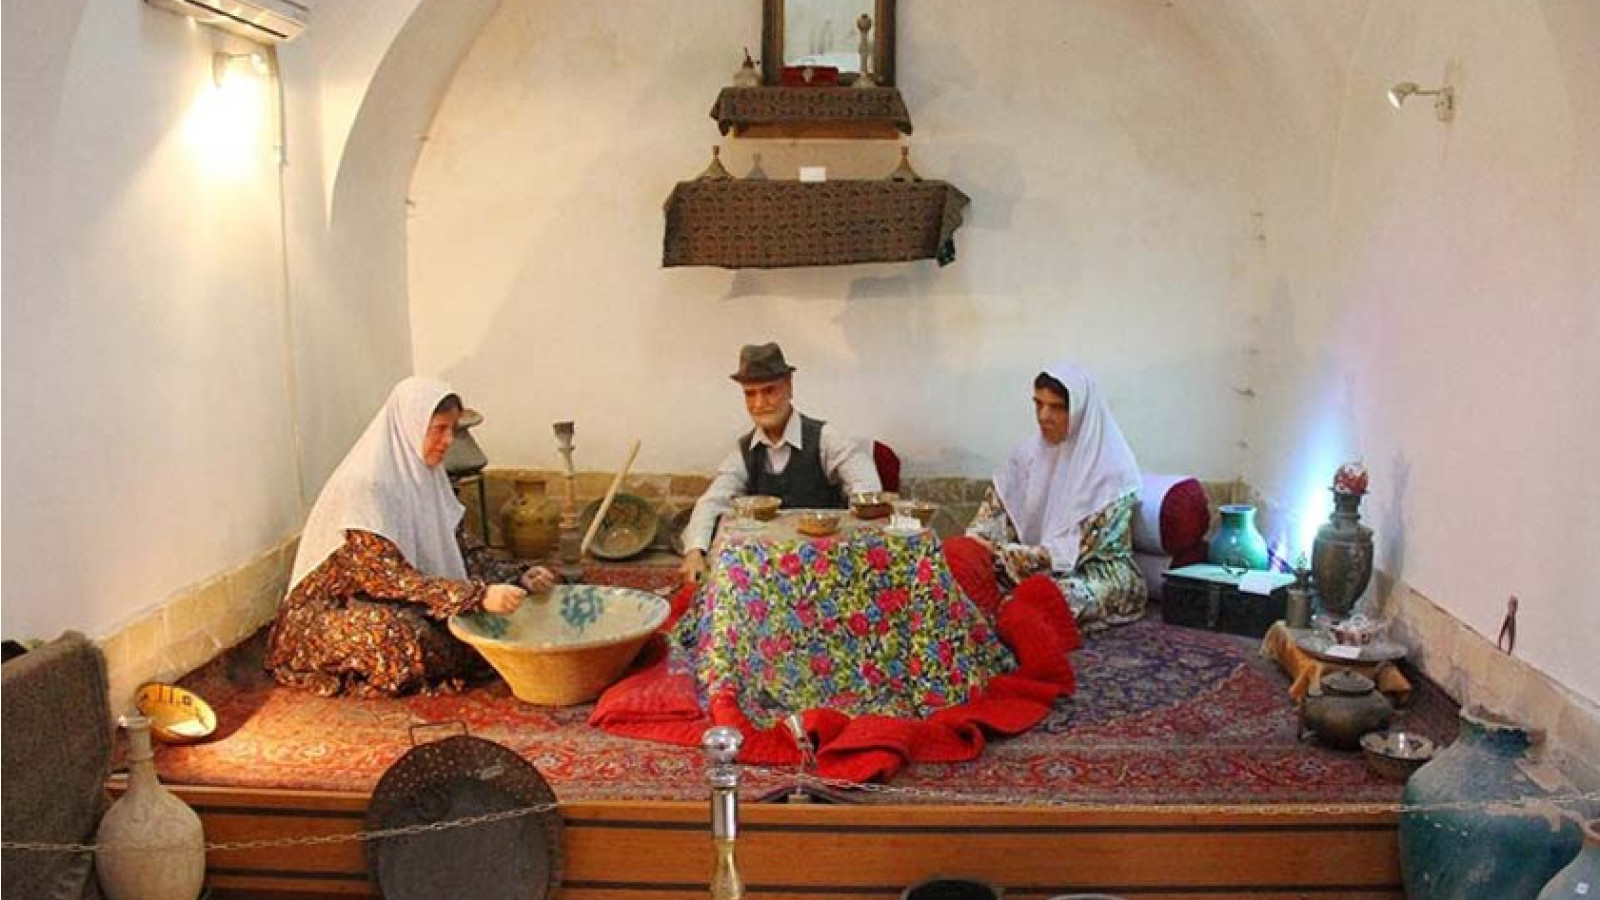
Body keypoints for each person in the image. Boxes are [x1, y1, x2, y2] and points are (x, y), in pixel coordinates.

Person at [265, 376, 556, 697]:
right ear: (411, 426)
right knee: (398, 636)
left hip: (394, 600)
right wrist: (476, 596)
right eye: (439, 429)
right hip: (329, 613)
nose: (448, 441)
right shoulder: (365, 485)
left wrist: (519, 576)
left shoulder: (428, 476)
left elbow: (465, 548)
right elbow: (385, 579)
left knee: (478, 620)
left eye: (453, 430)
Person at [678, 342, 881, 585]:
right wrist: (694, 552)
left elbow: (867, 488)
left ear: (789, 387)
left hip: (825, 568)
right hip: (767, 573)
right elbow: (712, 501)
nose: (759, 403)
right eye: (750, 394)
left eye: (769, 390)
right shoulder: (744, 451)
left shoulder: (826, 438)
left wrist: (851, 541)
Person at [965, 362, 1147, 630]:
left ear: (1081, 411)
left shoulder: (1111, 470)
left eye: (1057, 407)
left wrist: (1002, 554)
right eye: (1038, 404)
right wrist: (975, 545)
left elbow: (1074, 552)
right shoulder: (1026, 454)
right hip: (1024, 563)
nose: (1043, 416)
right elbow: (992, 516)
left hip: (1093, 572)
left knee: (1049, 597)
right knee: (965, 577)